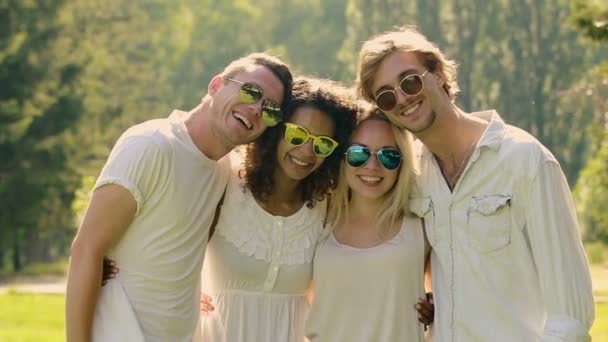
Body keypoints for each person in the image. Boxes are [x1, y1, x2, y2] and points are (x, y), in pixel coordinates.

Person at [356, 27, 595, 341]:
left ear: (439, 74)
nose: (402, 98)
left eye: (410, 81)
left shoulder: (524, 160)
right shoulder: (411, 177)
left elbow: (570, 316)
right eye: (386, 96)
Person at [65, 53, 293, 342]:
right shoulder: (150, 145)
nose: (256, 109)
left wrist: (184, 287)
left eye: (270, 109)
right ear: (215, 85)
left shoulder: (223, 171)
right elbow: (86, 249)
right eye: (250, 91)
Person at [195, 76, 359, 342]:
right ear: (276, 130)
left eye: (322, 144)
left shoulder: (327, 206)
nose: (307, 151)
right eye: (297, 134)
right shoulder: (225, 181)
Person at [305, 109, 430, 342]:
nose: (372, 165)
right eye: (358, 153)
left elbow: (452, 289)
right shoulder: (319, 219)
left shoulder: (421, 225)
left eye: (389, 156)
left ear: (403, 163)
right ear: (342, 158)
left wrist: (436, 309)